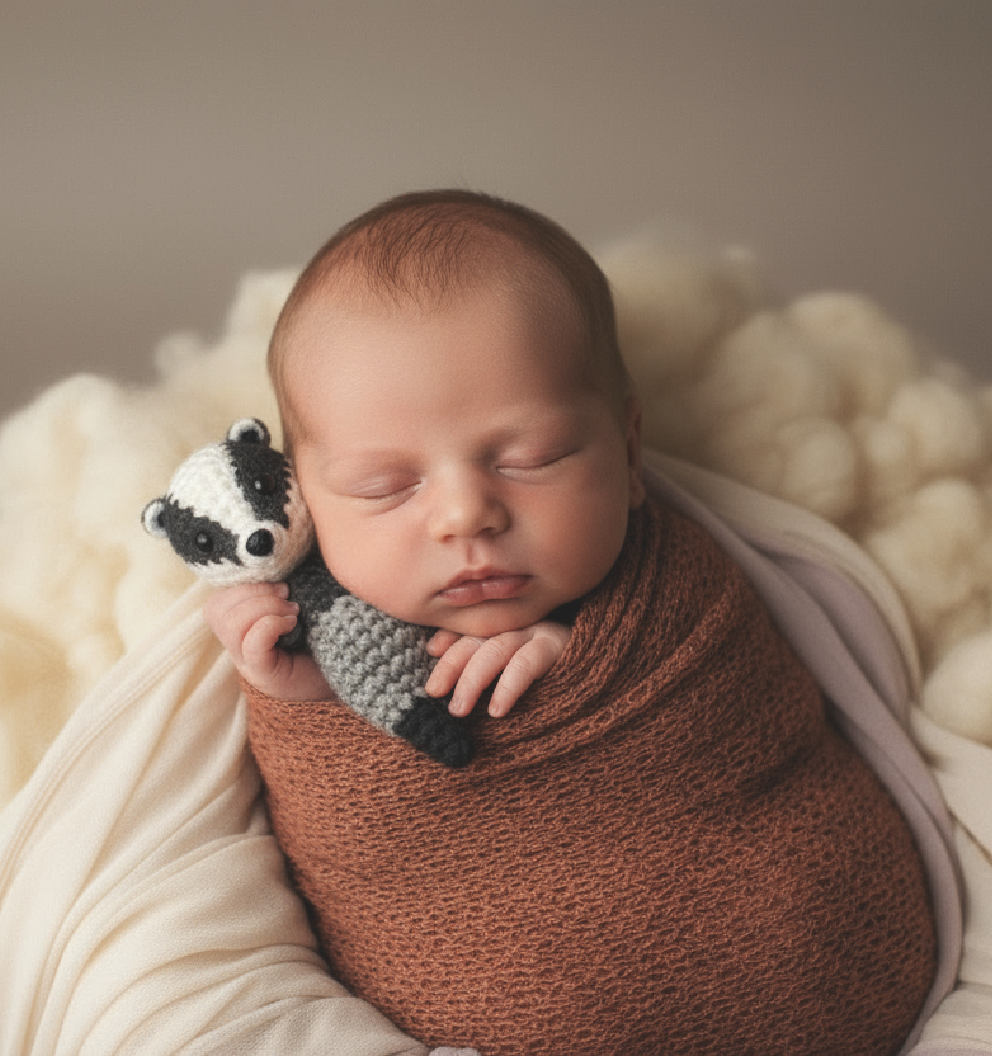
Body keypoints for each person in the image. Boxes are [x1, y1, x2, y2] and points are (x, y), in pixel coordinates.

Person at [205, 190, 939, 1056]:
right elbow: (351, 843)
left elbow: (743, 705)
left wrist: (584, 656)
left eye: (531, 459)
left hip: (836, 992)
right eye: (384, 487)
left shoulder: (679, 586)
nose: (464, 515)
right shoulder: (323, 630)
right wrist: (302, 700)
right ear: (305, 502)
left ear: (628, 452)